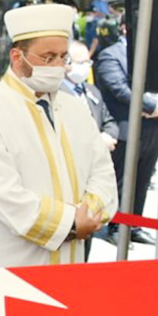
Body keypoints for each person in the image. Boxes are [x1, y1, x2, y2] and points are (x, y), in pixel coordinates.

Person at [0, 3, 118, 268]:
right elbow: (2, 193)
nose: (58, 66)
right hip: (9, 265)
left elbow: (102, 171)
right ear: (17, 57)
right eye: (48, 57)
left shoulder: (74, 108)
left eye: (63, 57)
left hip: (71, 262)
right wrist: (70, 222)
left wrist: (89, 214)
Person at [94, 26, 158, 245]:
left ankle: (134, 224)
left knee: (143, 178)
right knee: (123, 180)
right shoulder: (111, 54)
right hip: (126, 126)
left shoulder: (157, 54)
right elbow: (119, 88)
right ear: (126, 28)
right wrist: (153, 105)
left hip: (153, 126)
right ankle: (117, 225)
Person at [62, 40, 117, 259]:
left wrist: (109, 135)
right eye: (80, 62)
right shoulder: (55, 94)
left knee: (86, 245)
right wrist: (96, 142)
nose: (86, 66)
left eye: (88, 61)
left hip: (92, 180)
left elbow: (109, 119)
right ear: (66, 63)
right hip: (70, 177)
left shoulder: (91, 91)